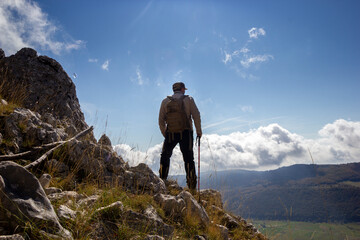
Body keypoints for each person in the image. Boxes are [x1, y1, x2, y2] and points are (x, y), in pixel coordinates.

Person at [158, 82, 202, 190]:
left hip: (171, 133)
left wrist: (166, 134)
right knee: (188, 159)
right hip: (186, 132)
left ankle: (162, 180)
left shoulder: (165, 101)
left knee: (165, 155)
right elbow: (196, 116)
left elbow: (160, 120)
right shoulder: (189, 100)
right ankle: (191, 187)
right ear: (182, 89)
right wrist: (199, 132)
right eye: (184, 89)